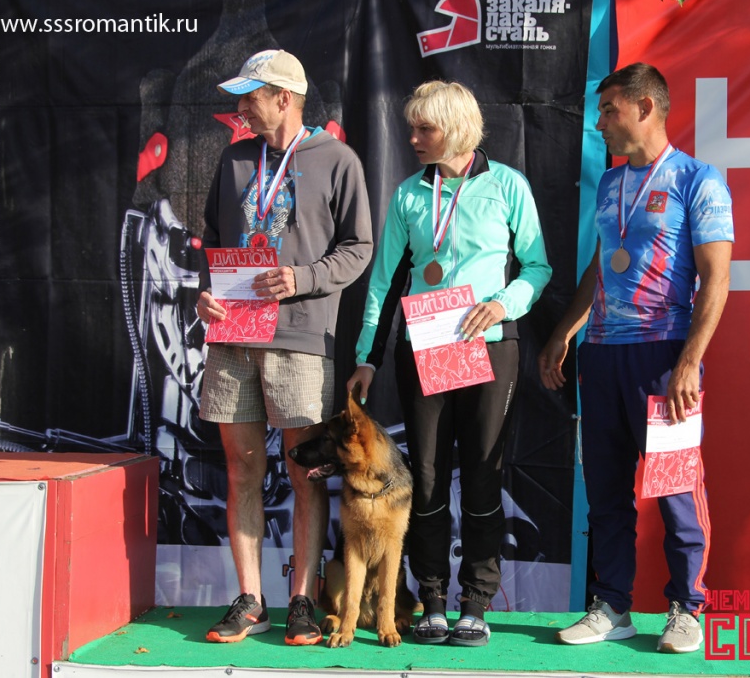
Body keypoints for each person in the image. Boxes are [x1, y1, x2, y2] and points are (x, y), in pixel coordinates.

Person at [348, 81, 551, 647]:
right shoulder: (410, 194)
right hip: (427, 346)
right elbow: (384, 283)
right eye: (411, 128)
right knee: (429, 476)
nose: (413, 139)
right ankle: (432, 599)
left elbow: (537, 267)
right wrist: (367, 358)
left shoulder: (507, 185)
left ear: (456, 129)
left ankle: (476, 603)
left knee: (484, 474)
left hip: (488, 345)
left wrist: (502, 304)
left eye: (425, 129)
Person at [539, 62, 733, 653]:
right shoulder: (609, 184)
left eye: (609, 110)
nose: (599, 123)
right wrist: (565, 332)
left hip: (663, 356)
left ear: (646, 108)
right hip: (602, 355)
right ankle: (612, 605)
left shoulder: (698, 180)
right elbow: (601, 266)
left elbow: (717, 279)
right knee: (605, 491)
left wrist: (688, 362)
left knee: (676, 489)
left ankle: (687, 608)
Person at [195, 49, 372, 646]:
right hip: (233, 335)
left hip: (299, 336)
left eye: (250, 98)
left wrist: (302, 278)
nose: (241, 109)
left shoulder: (337, 159)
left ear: (283, 98)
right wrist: (205, 293)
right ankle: (250, 600)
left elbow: (359, 248)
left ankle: (302, 599)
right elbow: (213, 241)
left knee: (304, 471)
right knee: (242, 466)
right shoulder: (234, 158)